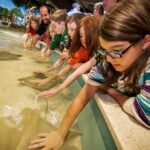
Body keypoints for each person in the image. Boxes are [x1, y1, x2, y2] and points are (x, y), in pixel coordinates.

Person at [29, 0, 150, 149]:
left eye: (117, 51)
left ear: (146, 42)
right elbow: (81, 99)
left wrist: (110, 90)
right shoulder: (106, 59)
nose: (108, 59)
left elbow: (144, 113)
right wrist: (60, 134)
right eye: (104, 50)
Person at [31, 15, 100, 88]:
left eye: (72, 30)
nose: (69, 33)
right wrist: (47, 74)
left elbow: (99, 71)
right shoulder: (75, 45)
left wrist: (49, 80)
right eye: (68, 29)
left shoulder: (89, 48)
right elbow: (66, 65)